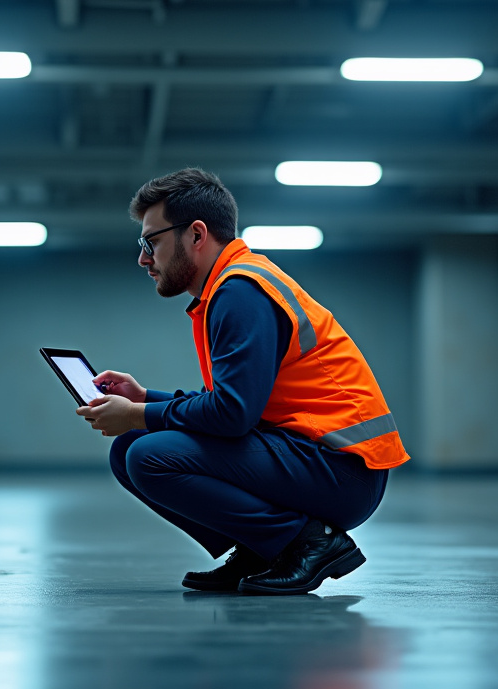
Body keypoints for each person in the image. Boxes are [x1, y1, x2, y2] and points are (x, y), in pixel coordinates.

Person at [75, 168, 409, 594]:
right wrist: (144, 400)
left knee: (147, 456)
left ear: (196, 235)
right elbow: (236, 403)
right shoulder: (232, 286)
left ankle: (307, 544)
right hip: (317, 459)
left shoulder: (240, 292)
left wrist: (141, 414)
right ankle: (263, 547)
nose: (143, 258)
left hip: (342, 471)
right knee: (127, 449)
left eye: (151, 241)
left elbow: (232, 416)